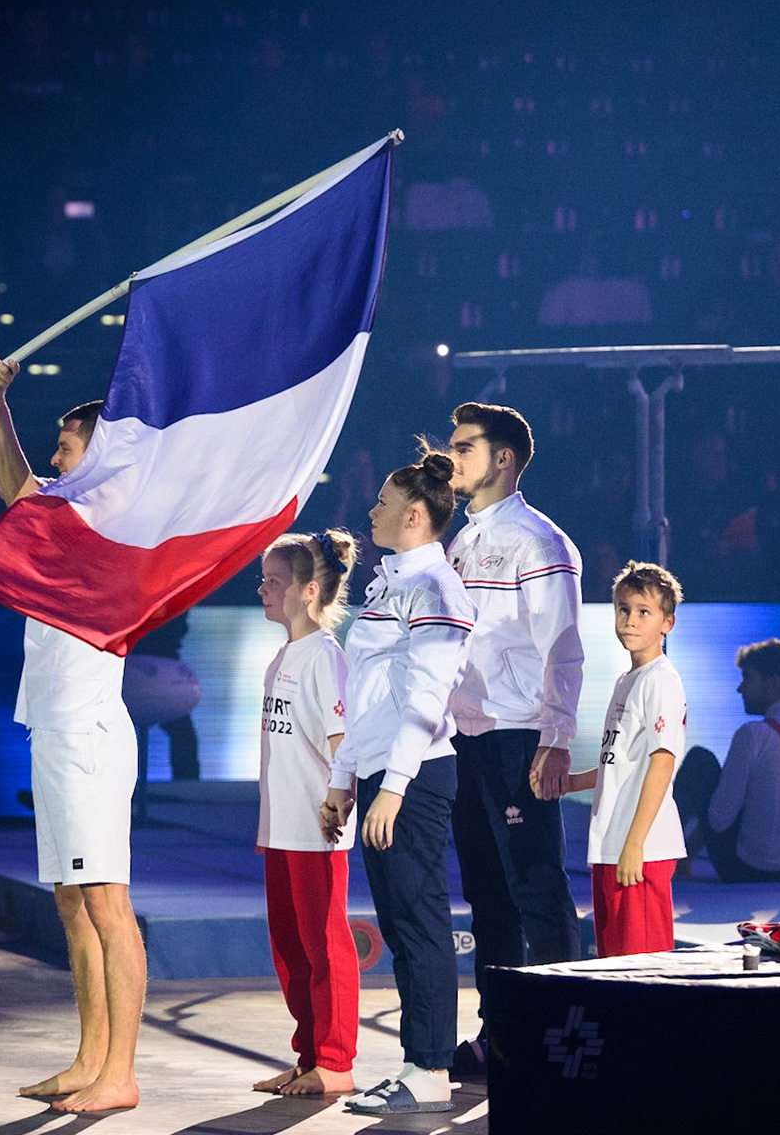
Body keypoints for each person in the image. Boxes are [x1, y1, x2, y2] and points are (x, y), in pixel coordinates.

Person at [0, 356, 143, 1114]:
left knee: (107, 903)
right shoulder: (63, 509)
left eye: (67, 446)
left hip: (89, 732)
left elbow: (14, 478)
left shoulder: (113, 520)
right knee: (71, 902)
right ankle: (89, 1058)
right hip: (54, 729)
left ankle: (120, 1073)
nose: (57, 461)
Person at [322, 453, 474, 1116]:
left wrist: (394, 787)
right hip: (385, 771)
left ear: (415, 515)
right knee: (402, 922)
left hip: (415, 774)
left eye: (382, 502)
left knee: (419, 924)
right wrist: (342, 780)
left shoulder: (438, 589)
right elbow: (367, 696)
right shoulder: (392, 585)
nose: (371, 510)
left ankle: (432, 1072)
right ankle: (419, 1067)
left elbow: (425, 701)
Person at [440, 402, 582, 1077]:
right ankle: (500, 1038)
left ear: (503, 459)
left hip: (519, 736)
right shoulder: (460, 539)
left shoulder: (540, 541)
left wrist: (556, 736)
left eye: (463, 447)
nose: (451, 457)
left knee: (535, 888)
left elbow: (563, 649)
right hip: (466, 738)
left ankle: (561, 1038)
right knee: (487, 895)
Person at [251, 529, 361, 1097]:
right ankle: (310, 1054)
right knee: (290, 948)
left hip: (318, 828)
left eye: (274, 581)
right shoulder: (284, 655)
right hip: (282, 827)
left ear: (309, 590)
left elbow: (345, 743)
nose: (263, 590)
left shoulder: (324, 657)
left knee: (324, 945)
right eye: (264, 580)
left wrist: (335, 803)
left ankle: (336, 1062)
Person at [564, 561, 687, 958]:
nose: (630, 621)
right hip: (612, 845)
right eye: (624, 609)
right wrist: (571, 783)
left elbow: (662, 763)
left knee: (642, 969)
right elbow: (622, 765)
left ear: (667, 623)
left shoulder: (661, 680)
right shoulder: (627, 680)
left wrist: (635, 844)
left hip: (640, 849)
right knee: (613, 964)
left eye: (644, 612)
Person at [674, 639, 780, 881]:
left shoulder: (754, 734)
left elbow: (719, 818)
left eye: (747, 678)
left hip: (749, 870)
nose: (740, 688)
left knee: (700, 761)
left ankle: (662, 854)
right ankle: (683, 855)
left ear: (773, 684)